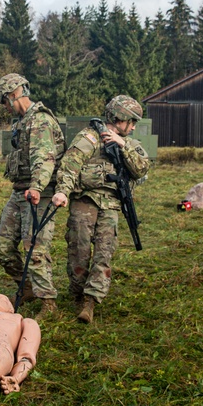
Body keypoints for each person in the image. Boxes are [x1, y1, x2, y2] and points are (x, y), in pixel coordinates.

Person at [51, 95, 150, 324]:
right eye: (131, 121)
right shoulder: (90, 138)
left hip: (112, 204)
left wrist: (122, 145)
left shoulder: (130, 144)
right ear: (119, 118)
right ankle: (77, 291)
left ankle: (91, 300)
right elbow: (70, 166)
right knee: (79, 248)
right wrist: (63, 192)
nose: (133, 127)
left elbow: (141, 169)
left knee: (104, 251)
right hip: (85, 200)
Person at [0, 73, 65, 319]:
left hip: (39, 192)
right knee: (1, 247)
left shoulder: (40, 121)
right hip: (19, 191)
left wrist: (36, 187)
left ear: (13, 95)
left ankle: (48, 303)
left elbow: (45, 159)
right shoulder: (21, 122)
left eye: (4, 101)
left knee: (35, 249)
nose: (5, 107)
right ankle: (27, 287)